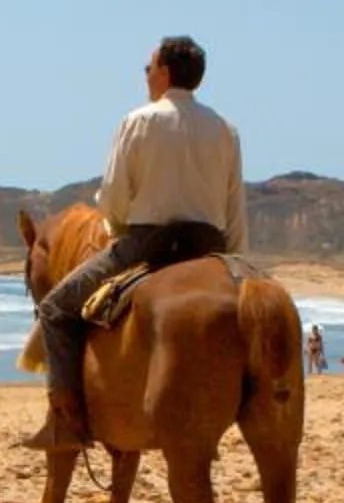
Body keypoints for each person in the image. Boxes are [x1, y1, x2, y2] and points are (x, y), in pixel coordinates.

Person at [28, 35, 248, 452]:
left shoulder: (139, 121)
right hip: (212, 248)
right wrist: (234, 263)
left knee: (56, 309)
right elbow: (235, 205)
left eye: (148, 68)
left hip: (150, 244)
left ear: (164, 73)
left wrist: (118, 228)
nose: (146, 75)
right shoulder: (225, 129)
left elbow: (113, 199)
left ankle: (66, 419)